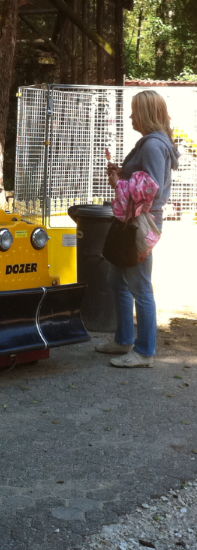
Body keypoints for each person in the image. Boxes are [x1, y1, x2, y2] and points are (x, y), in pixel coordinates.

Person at [97, 90, 180, 369]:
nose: (130, 116)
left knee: (140, 286)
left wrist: (119, 184)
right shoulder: (150, 142)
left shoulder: (153, 145)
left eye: (134, 111)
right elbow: (143, 181)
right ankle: (123, 340)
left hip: (140, 223)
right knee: (116, 280)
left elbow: (150, 191)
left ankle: (144, 352)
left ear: (145, 113)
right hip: (132, 221)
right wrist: (123, 174)